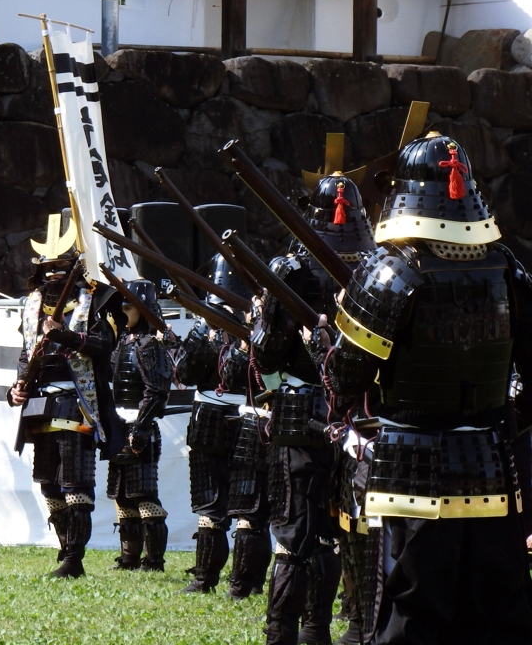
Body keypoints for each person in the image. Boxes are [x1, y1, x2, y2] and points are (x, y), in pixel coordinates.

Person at [313, 133, 532, 644]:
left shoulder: (391, 271)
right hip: (492, 468)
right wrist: (496, 416)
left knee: (414, 618)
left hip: (411, 470)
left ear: (409, 192)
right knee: (498, 617)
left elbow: (345, 379)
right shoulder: (507, 268)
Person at [251, 173, 375, 645]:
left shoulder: (295, 269)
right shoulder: (379, 265)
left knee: (300, 535)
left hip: (310, 414)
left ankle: (291, 632)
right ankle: (314, 631)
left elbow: (265, 354)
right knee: (331, 529)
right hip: (349, 417)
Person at [6, 248, 123, 578]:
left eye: (61, 268)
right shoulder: (32, 304)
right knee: (48, 483)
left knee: (75, 483)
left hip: (78, 402)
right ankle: (63, 551)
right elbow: (26, 353)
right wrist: (18, 386)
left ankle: (75, 558)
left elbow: (104, 346)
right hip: (40, 403)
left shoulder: (95, 299)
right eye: (49, 268)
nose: (55, 275)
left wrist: (66, 335)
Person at [178, 254, 271, 598]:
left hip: (247, 420)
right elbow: (185, 374)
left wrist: (245, 339)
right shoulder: (207, 330)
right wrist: (201, 333)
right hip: (207, 420)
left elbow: (238, 376)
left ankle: (244, 584)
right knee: (209, 506)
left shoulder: (259, 331)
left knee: (249, 509)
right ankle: (204, 578)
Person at [108, 279, 171, 571]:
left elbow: (156, 391)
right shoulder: (124, 340)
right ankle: (130, 558)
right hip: (120, 425)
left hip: (139, 427)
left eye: (128, 304)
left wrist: (142, 428)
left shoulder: (149, 344)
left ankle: (153, 561)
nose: (123, 309)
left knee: (144, 496)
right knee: (122, 496)